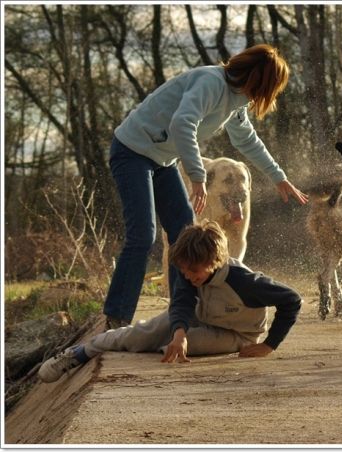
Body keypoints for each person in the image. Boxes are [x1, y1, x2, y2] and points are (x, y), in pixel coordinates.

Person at [104, 43, 308, 331]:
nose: (269, 95)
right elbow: (182, 123)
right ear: (259, 79)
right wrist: (198, 176)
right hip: (132, 150)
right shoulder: (211, 82)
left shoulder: (238, 100)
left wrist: (278, 176)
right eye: (272, 86)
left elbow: (246, 139)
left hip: (162, 160)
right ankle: (117, 317)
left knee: (184, 233)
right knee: (143, 234)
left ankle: (180, 316)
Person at [38, 220, 303, 383]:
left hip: (237, 334)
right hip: (201, 314)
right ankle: (80, 352)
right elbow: (181, 303)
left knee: (171, 350)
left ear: (214, 262)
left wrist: (269, 345)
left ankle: (163, 337)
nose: (188, 276)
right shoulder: (190, 271)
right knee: (143, 335)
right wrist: (179, 332)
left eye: (194, 272)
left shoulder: (245, 281)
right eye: (184, 271)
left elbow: (292, 300)